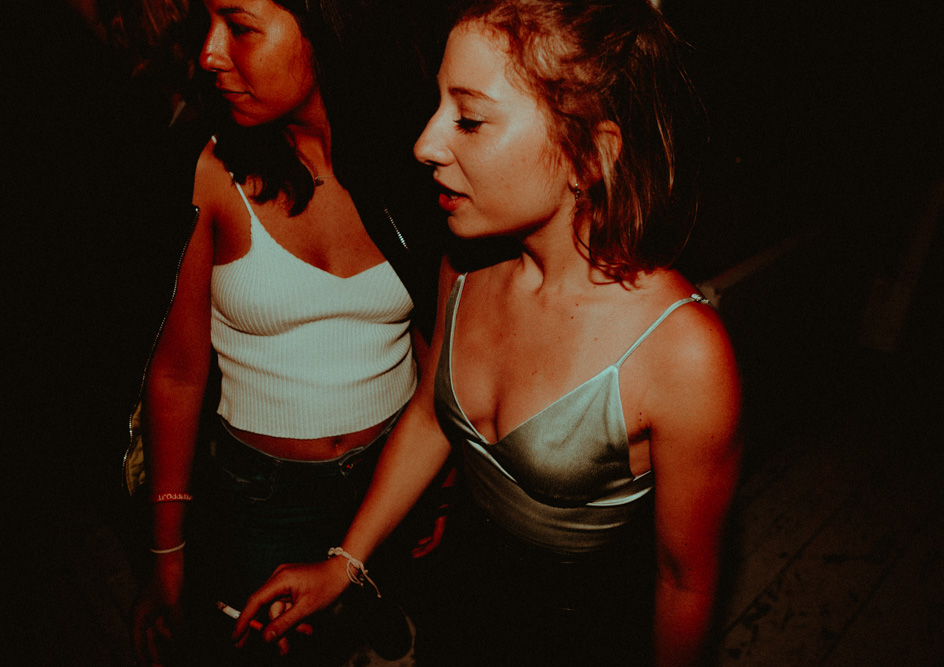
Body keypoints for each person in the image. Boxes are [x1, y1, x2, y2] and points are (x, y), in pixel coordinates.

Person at [236, 1, 741, 664]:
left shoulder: (682, 353)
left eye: (469, 119)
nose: (425, 143)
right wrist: (345, 563)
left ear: (590, 154)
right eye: (438, 105)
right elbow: (430, 416)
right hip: (462, 599)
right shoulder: (464, 264)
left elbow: (684, 584)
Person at [130, 0, 445, 664]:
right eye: (208, 25)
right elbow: (177, 373)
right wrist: (167, 551)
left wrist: (440, 483)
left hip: (394, 473)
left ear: (324, 28)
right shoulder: (209, 167)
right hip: (264, 499)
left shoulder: (416, 157)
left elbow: (435, 333)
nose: (210, 53)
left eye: (240, 27)